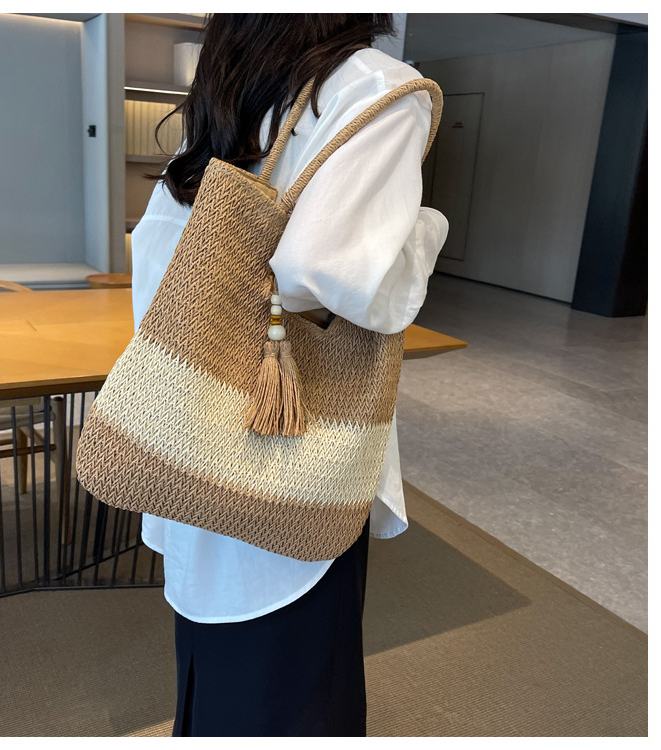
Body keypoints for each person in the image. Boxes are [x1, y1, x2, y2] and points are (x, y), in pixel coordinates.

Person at [130, 13, 449, 737]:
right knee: (293, 672)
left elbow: (160, 252)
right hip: (294, 442)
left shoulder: (232, 86)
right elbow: (328, 273)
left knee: (216, 662)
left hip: (193, 412)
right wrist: (426, 232)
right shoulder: (378, 88)